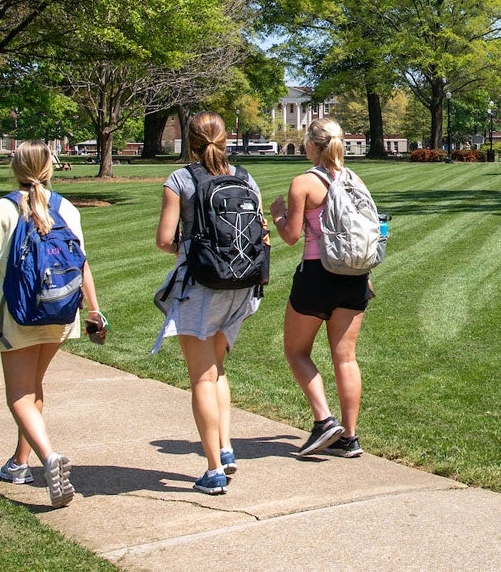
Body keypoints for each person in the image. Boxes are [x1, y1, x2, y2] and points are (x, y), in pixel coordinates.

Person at [0, 140, 100, 508]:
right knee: (33, 386)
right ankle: (19, 463)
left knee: (18, 394)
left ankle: (49, 457)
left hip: (19, 314)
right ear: (49, 168)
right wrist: (93, 309)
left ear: (15, 168)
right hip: (60, 311)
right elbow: (81, 261)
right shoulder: (65, 207)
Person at [155, 112, 265, 495]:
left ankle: (214, 469)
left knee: (201, 376)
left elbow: (165, 239)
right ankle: (227, 447)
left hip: (201, 285)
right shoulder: (245, 177)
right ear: (226, 138)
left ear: (190, 141)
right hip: (241, 285)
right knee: (217, 369)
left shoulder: (181, 180)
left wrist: (189, 250)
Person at [271, 117, 372, 462]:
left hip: (317, 275)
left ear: (312, 145)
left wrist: (278, 215)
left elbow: (291, 236)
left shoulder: (303, 183)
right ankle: (350, 436)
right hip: (355, 276)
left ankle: (323, 421)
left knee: (296, 351)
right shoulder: (355, 180)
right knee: (346, 357)